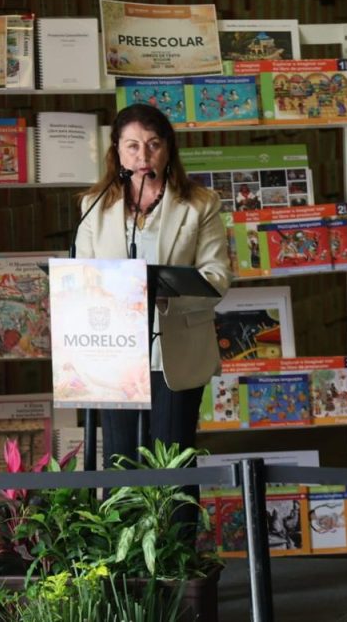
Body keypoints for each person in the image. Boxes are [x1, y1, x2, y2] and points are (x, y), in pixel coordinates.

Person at [74, 103, 232, 482]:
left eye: (153, 144)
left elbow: (216, 277)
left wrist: (164, 295)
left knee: (172, 467)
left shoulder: (200, 204)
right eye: (132, 146)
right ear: (117, 151)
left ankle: (175, 526)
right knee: (120, 462)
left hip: (175, 350)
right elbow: (82, 278)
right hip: (113, 353)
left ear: (168, 149)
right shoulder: (94, 206)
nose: (142, 156)